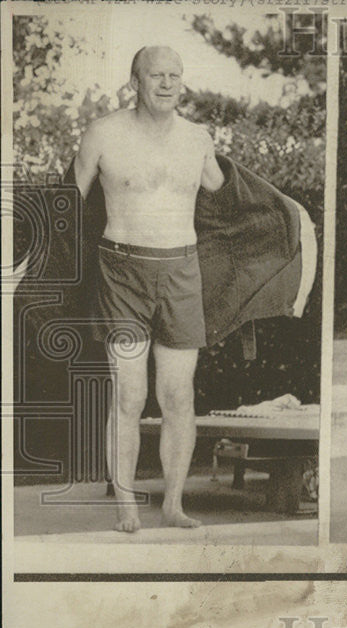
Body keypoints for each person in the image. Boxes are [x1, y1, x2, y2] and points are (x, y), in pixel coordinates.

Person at [73, 46, 225, 532]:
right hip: (123, 272)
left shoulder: (198, 138)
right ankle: (126, 506)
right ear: (134, 80)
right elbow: (66, 206)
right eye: (155, 75)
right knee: (130, 395)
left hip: (182, 270)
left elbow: (227, 194)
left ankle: (174, 504)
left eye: (174, 75)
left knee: (179, 395)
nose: (166, 83)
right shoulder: (103, 133)